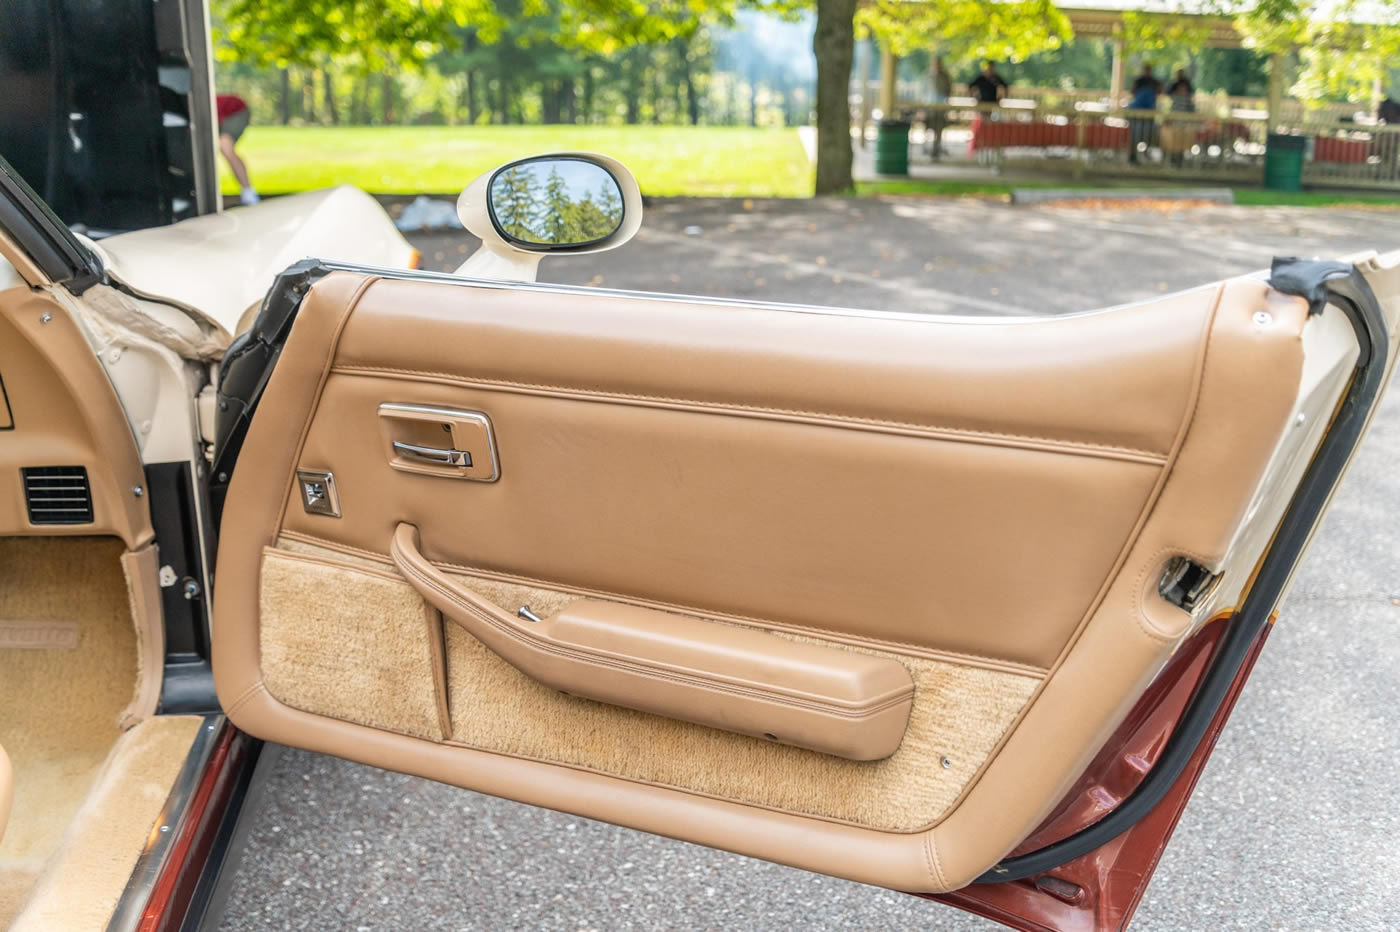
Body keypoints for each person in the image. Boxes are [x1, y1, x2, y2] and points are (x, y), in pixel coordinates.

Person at [216, 94, 260, 205]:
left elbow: (216, 122)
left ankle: (249, 193)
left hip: (237, 111)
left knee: (225, 145)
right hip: (225, 115)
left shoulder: (202, 106)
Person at [1127, 64, 1161, 163]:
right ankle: (1133, 156)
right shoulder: (1139, 80)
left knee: (1149, 134)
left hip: (1149, 114)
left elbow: (1159, 92)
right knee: (1135, 134)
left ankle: (1145, 152)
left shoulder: (1154, 82)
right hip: (1137, 113)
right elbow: (1132, 91)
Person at [929, 56, 953, 158]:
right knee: (930, 126)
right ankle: (931, 147)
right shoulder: (928, 75)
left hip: (941, 106)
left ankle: (936, 147)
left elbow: (948, 90)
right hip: (930, 107)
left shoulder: (945, 76)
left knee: (940, 127)